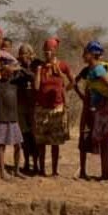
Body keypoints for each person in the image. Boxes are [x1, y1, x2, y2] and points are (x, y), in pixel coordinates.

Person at [75, 40, 108, 181]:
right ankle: (99, 173)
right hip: (95, 107)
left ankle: (105, 174)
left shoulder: (98, 69)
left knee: (105, 140)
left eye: (86, 53)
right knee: (98, 139)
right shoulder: (91, 70)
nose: (83, 55)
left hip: (102, 108)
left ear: (92, 54)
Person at [32, 37, 74, 177]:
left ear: (55, 51)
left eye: (50, 51)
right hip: (42, 108)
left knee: (55, 142)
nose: (47, 53)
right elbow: (37, 87)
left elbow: (72, 82)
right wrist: (38, 72)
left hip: (57, 107)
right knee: (41, 141)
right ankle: (42, 168)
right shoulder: (41, 67)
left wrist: (63, 90)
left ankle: (55, 170)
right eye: (45, 51)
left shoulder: (62, 65)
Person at [0, 55, 23, 179]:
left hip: (14, 119)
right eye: (3, 71)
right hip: (2, 119)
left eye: (8, 71)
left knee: (18, 145)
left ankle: (16, 170)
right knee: (1, 146)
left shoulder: (15, 83)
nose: (6, 73)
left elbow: (24, 72)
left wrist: (13, 66)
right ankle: (2, 172)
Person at [15, 44, 39, 175]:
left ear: (30, 54)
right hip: (21, 105)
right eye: (20, 53)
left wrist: (22, 70)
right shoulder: (17, 68)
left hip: (34, 106)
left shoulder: (37, 66)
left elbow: (34, 78)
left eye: (23, 53)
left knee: (34, 136)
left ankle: (36, 164)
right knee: (24, 135)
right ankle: (26, 163)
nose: (21, 55)